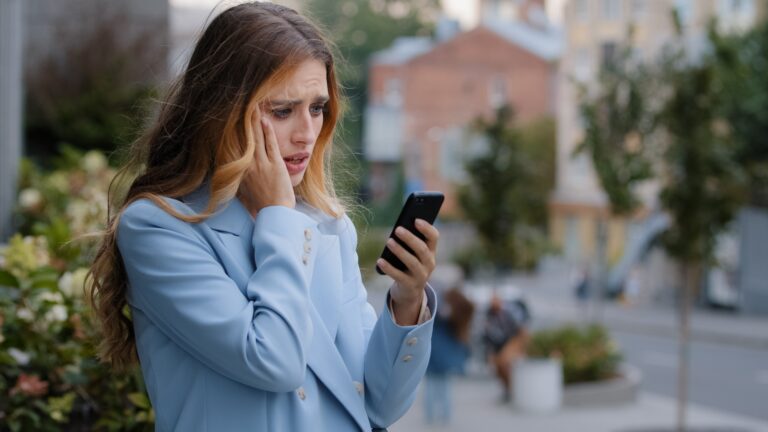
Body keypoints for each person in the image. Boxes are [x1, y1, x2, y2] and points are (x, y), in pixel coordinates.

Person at [88, 3, 439, 431]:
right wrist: (277, 216)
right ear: (222, 110)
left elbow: (379, 404)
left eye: (316, 108)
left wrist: (406, 303)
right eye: (281, 110)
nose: (306, 133)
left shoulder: (327, 225)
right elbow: (275, 362)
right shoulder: (158, 228)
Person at [423, 287, 475, 425]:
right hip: (444, 358)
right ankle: (445, 416)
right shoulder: (456, 318)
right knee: (445, 387)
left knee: (431, 386)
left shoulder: (441, 313)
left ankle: (431, 417)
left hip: (433, 354)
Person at [482, 294, 529, 403]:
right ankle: (508, 390)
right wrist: (490, 354)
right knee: (498, 367)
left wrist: (520, 346)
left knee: (504, 362)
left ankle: (515, 390)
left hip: (513, 340)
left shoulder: (509, 312)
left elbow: (522, 330)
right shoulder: (489, 315)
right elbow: (488, 337)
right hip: (499, 345)